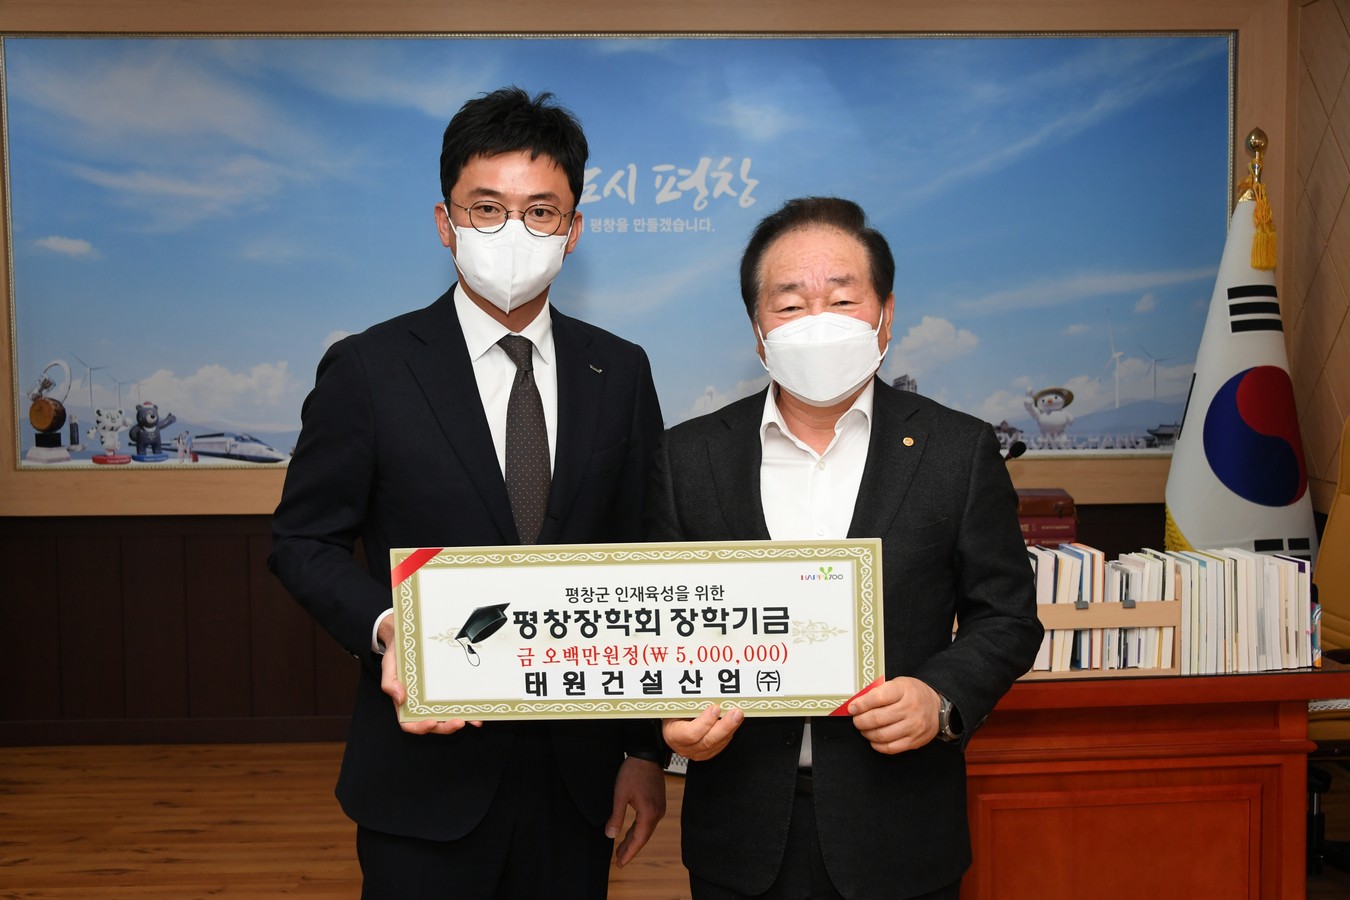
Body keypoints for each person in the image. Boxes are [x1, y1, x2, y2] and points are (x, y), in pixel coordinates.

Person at [269, 87, 667, 900]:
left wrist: (641, 751)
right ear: (446, 222)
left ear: (573, 230)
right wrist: (390, 628)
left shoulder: (619, 370)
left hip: (577, 780)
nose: (513, 232)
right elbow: (303, 541)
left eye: (540, 212)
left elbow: (645, 552)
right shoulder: (370, 369)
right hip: (423, 774)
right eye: (487, 208)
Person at [648, 197, 1043, 900]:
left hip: (900, 831)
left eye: (841, 300)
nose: (818, 322)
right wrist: (668, 717)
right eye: (790, 305)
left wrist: (939, 697)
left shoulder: (957, 451)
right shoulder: (688, 457)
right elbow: (654, 622)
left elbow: (1007, 615)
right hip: (741, 836)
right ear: (758, 330)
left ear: (885, 316)